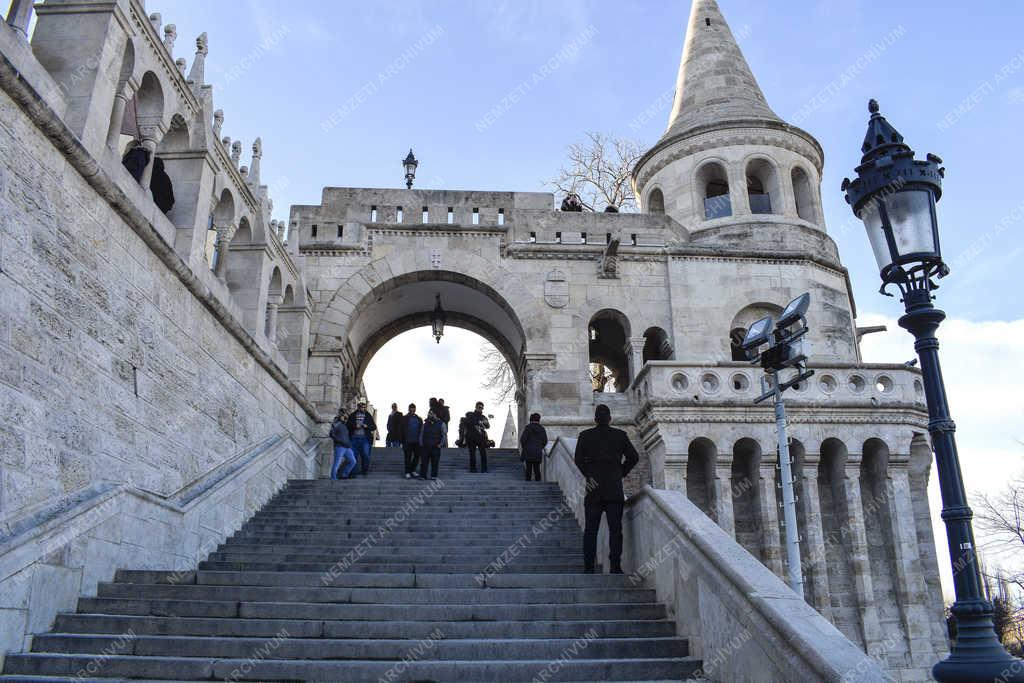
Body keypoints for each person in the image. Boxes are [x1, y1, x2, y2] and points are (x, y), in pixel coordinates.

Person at [574, 404, 639, 574]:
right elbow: (634, 457)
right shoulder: (620, 436)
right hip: (613, 488)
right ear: (610, 419)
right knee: (615, 530)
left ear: (595, 419)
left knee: (590, 530)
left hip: (593, 488)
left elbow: (578, 460)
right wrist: (620, 472)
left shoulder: (585, 436)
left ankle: (588, 567)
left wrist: (589, 474)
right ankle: (615, 566)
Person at [346, 402, 377, 476]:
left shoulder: (368, 415)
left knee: (366, 455)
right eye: (362, 407)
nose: (363, 408)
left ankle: (364, 471)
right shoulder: (352, 415)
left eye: (364, 407)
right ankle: (353, 473)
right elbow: (348, 426)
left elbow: (374, 427)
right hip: (354, 438)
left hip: (365, 439)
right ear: (358, 407)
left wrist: (367, 426)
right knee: (354, 456)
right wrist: (355, 426)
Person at [418, 409, 447, 480]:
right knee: (424, 462)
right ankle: (422, 476)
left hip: (435, 447)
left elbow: (444, 435)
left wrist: (440, 444)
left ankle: (434, 476)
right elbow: (421, 433)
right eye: (428, 413)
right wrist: (421, 443)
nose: (429, 415)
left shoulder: (442, 424)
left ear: (435, 414)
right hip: (425, 446)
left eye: (430, 413)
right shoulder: (425, 424)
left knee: (435, 462)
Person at [519, 413, 548, 482]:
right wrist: (540, 447)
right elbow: (545, 441)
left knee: (528, 470)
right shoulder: (542, 429)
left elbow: (523, 439)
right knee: (537, 469)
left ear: (531, 419)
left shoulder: (528, 428)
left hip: (528, 452)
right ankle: (538, 484)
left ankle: (528, 484)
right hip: (537, 452)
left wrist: (525, 447)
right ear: (539, 420)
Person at [463, 401, 490, 473]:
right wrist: (477, 422)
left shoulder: (483, 417)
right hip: (472, 438)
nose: (480, 409)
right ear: (476, 407)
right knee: (472, 454)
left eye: (481, 408)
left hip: (481, 438)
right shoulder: (471, 415)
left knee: (483, 453)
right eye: (479, 407)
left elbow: (488, 426)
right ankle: (473, 469)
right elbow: (467, 423)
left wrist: (485, 423)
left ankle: (484, 469)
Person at [329, 411, 357, 480]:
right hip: (339, 447)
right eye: (344, 416)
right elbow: (331, 434)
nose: (345, 418)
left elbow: (346, 436)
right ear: (340, 416)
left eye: (346, 416)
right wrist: (340, 441)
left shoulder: (344, 425)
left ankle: (344, 475)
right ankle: (333, 478)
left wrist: (348, 443)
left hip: (347, 447)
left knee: (353, 461)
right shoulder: (336, 424)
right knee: (337, 463)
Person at [400, 403, 423, 479]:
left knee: (417, 456)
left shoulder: (419, 419)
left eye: (413, 408)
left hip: (417, 441)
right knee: (407, 457)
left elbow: (422, 430)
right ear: (409, 409)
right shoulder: (404, 418)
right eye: (411, 408)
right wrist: (401, 441)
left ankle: (413, 470)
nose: (412, 410)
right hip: (407, 441)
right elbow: (401, 430)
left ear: (415, 409)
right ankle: (407, 472)